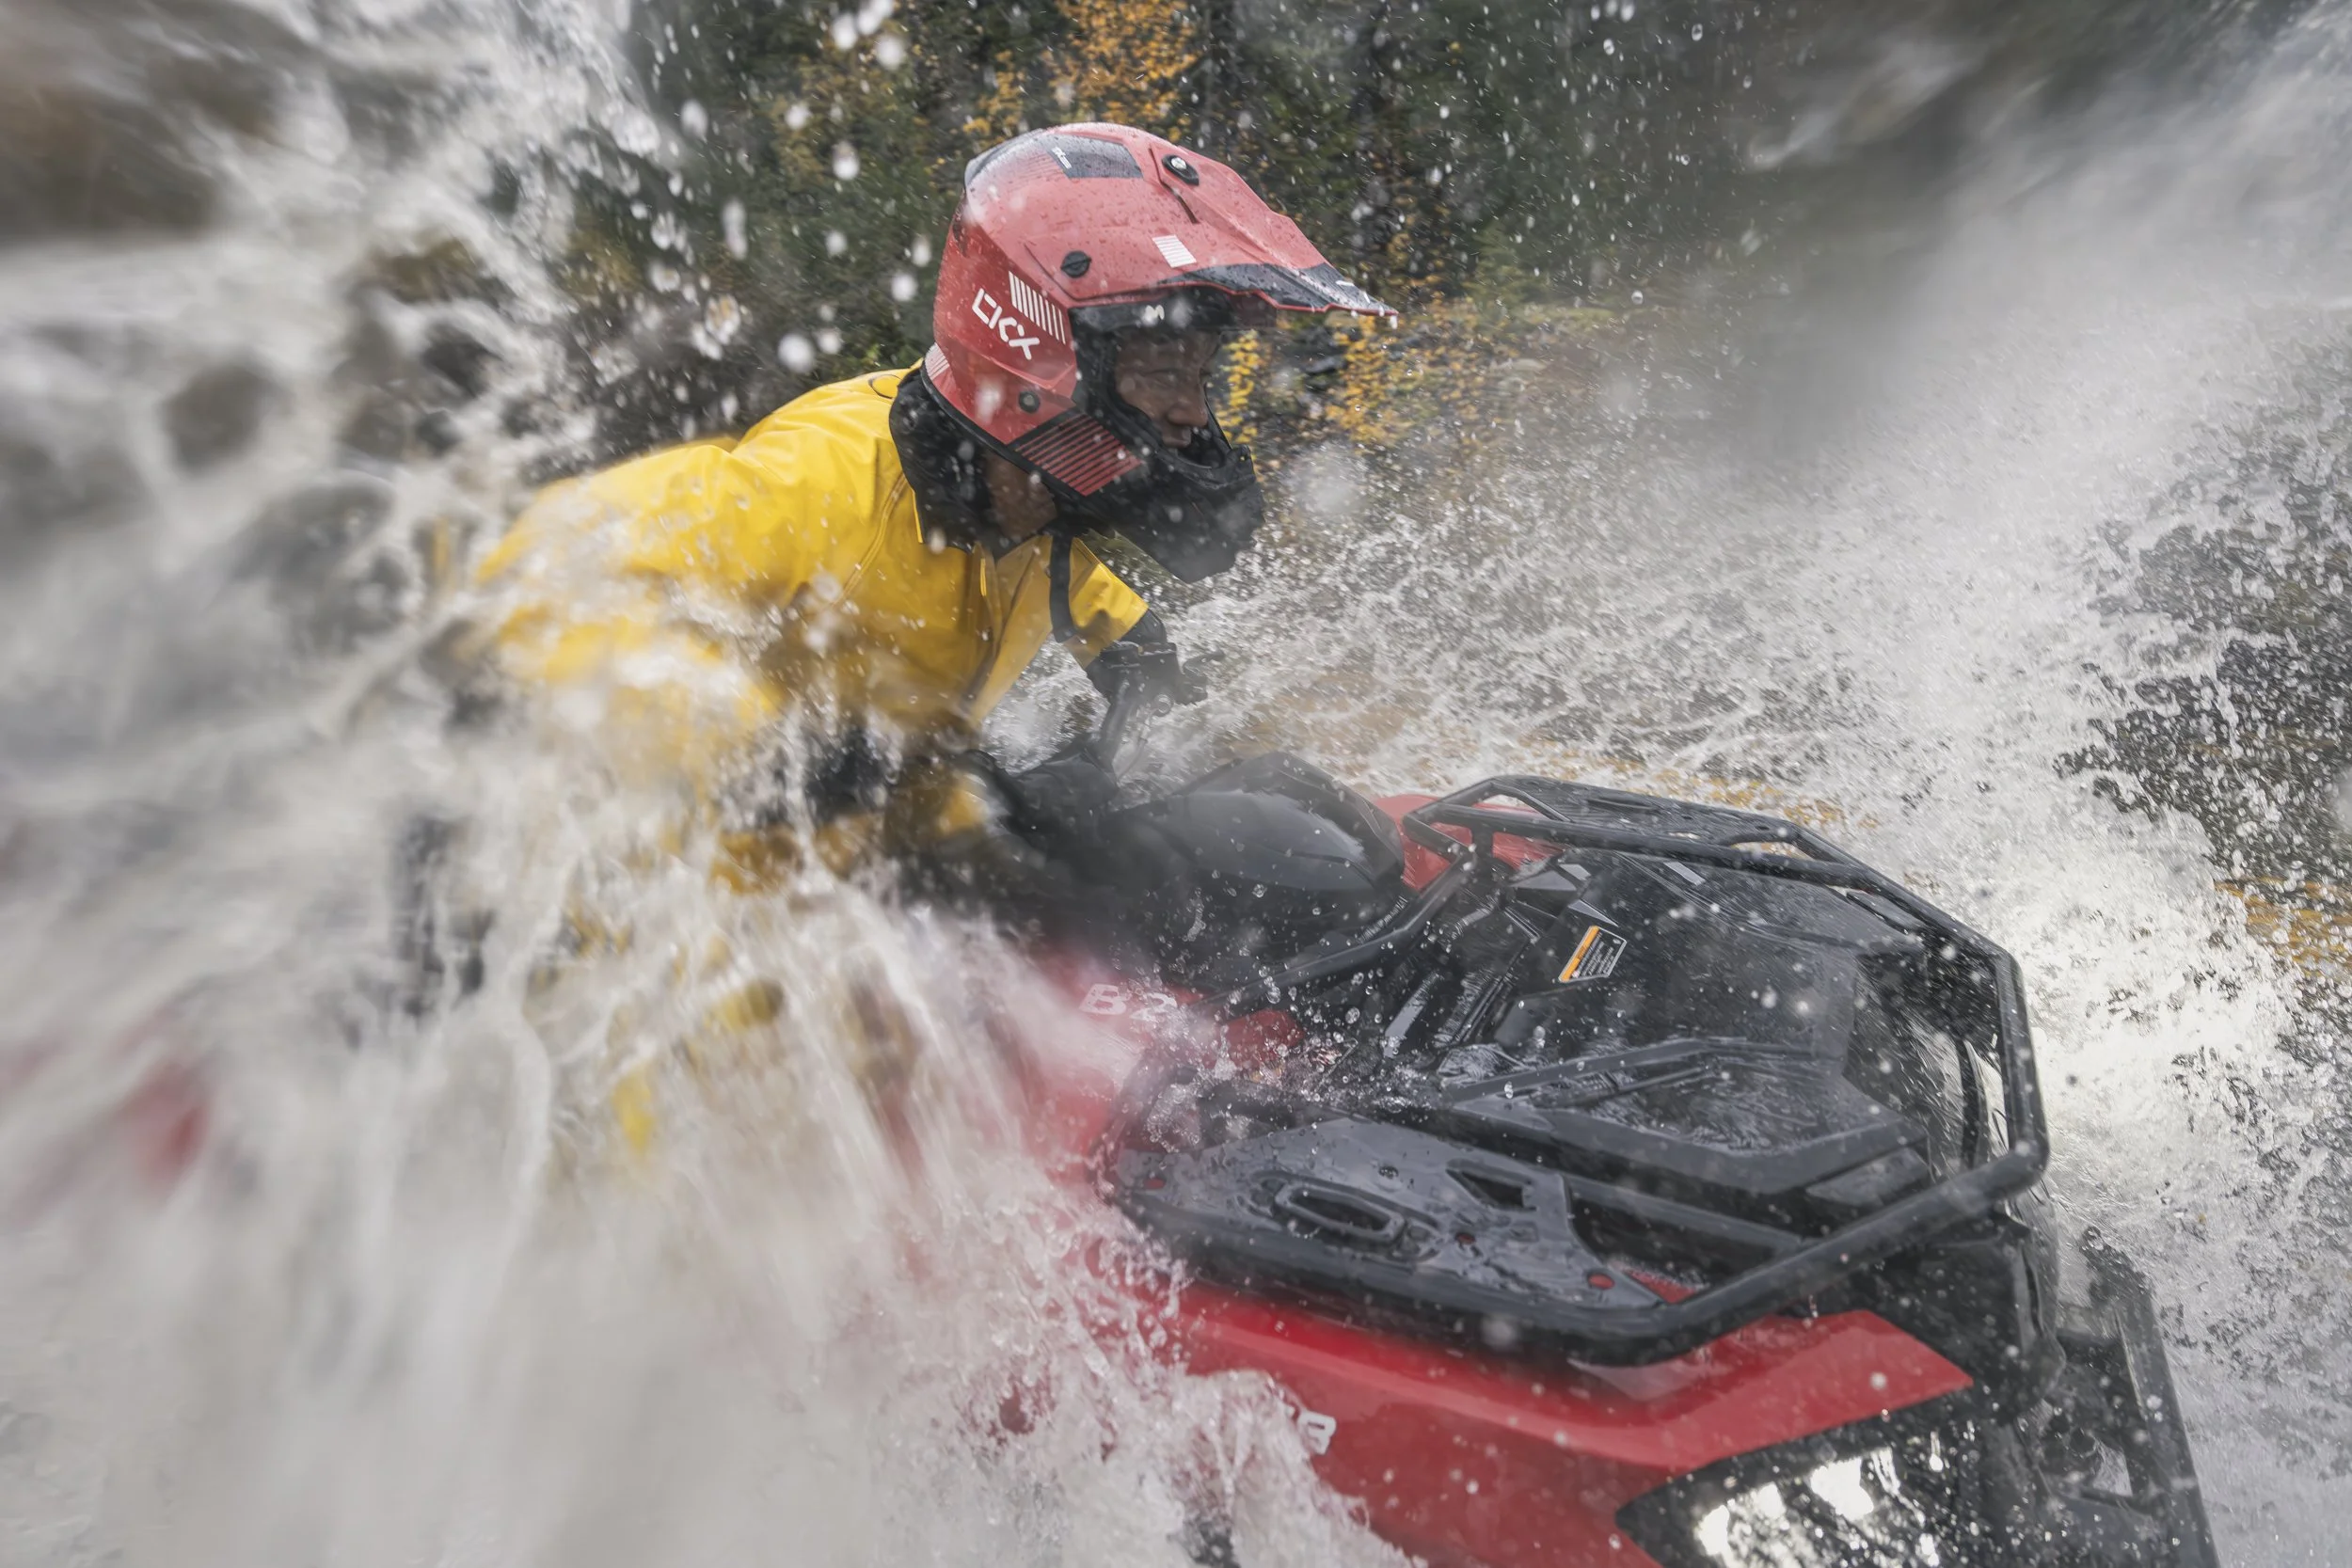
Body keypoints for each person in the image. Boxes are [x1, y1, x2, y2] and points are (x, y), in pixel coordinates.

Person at [480, 121, 1391, 880]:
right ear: (1042, 364)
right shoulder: (814, 485)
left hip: (869, 886)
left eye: (1200, 373)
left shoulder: (1030, 492)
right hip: (691, 931)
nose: (1192, 412)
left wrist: (1131, 650)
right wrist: (821, 760)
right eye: (1160, 371)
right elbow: (537, 579)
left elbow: (1050, 574)